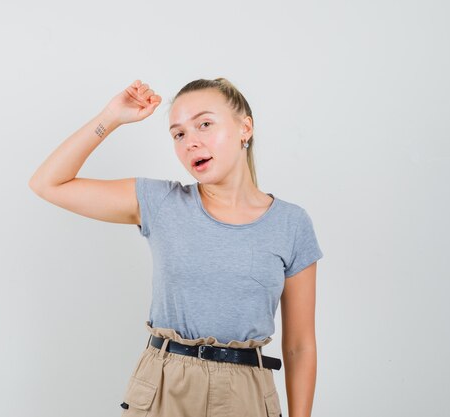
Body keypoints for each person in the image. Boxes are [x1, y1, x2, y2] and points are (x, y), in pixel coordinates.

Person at [29, 78, 324, 417]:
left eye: (205, 124)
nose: (190, 142)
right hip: (163, 385)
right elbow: (47, 183)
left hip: (247, 393)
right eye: (179, 134)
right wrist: (111, 116)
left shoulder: (291, 223)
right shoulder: (161, 203)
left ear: (245, 128)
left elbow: (300, 346)